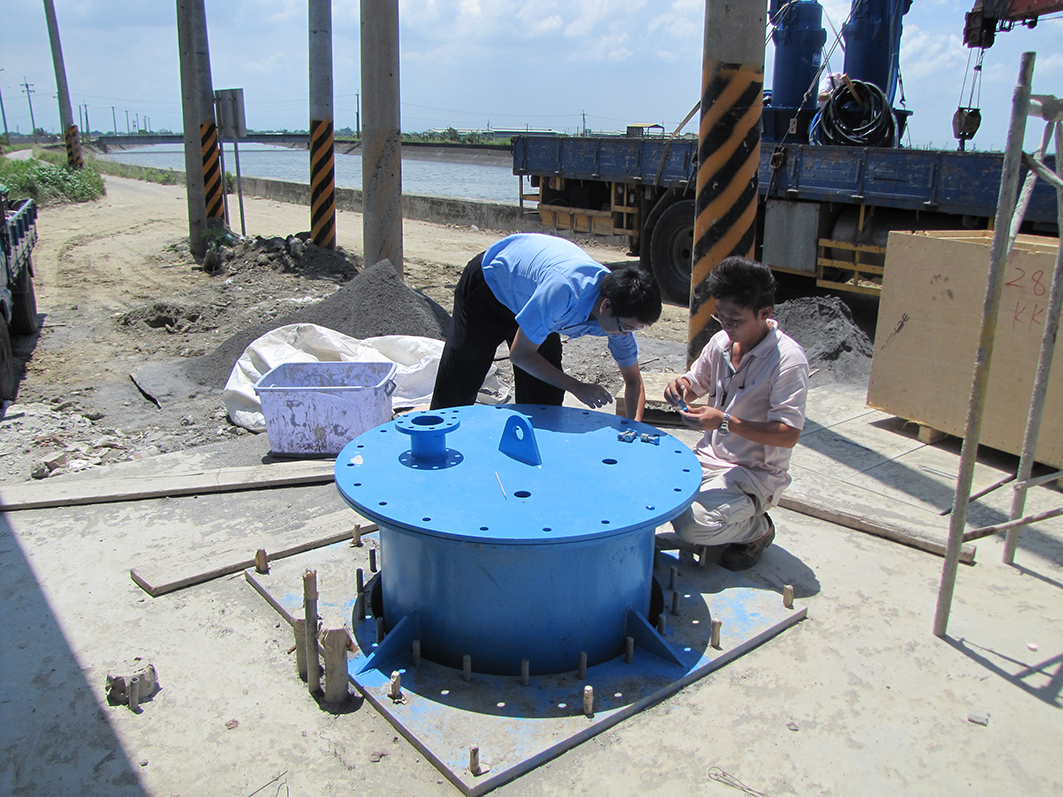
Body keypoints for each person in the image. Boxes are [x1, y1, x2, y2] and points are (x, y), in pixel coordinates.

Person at [662, 256, 809, 570]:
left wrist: (724, 421)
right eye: (721, 317)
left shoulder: (788, 361)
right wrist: (680, 388)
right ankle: (726, 513)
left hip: (753, 475)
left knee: (691, 526)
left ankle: (758, 528)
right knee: (651, 488)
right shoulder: (720, 342)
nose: (726, 327)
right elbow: (695, 383)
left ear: (765, 313)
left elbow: (788, 435)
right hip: (707, 457)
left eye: (735, 320)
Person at [431, 233, 662, 418]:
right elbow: (520, 355)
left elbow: (633, 382)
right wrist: (578, 387)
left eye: (634, 329)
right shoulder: (564, 291)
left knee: (545, 395)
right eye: (626, 328)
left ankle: (530, 457)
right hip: (492, 285)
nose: (626, 334)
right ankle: (435, 447)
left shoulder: (621, 314)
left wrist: (635, 428)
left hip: (534, 297)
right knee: (461, 377)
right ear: (606, 306)